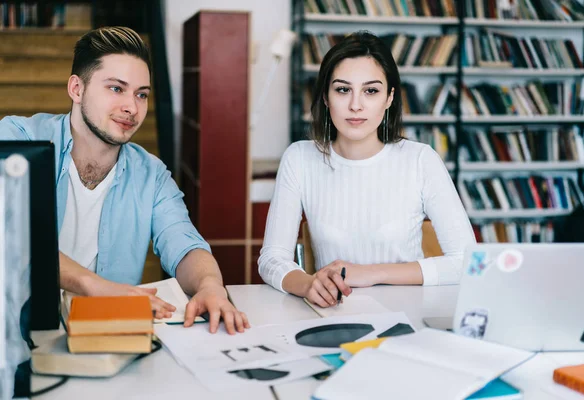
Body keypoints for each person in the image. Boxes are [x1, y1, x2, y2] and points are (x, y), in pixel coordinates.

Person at [0, 27, 249, 335]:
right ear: (77, 89)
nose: (132, 107)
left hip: (103, 336)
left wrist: (210, 285)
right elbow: (9, 236)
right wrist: (96, 287)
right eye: (116, 89)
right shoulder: (18, 140)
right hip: (12, 333)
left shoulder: (151, 174)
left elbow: (183, 243)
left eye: (141, 94)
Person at [258, 31, 475, 308]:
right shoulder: (300, 158)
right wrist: (308, 283)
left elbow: (468, 261)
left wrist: (369, 273)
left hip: (408, 316)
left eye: (371, 90)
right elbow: (271, 259)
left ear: (389, 98)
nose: (355, 105)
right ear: (325, 96)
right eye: (343, 89)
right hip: (334, 312)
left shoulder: (421, 160)